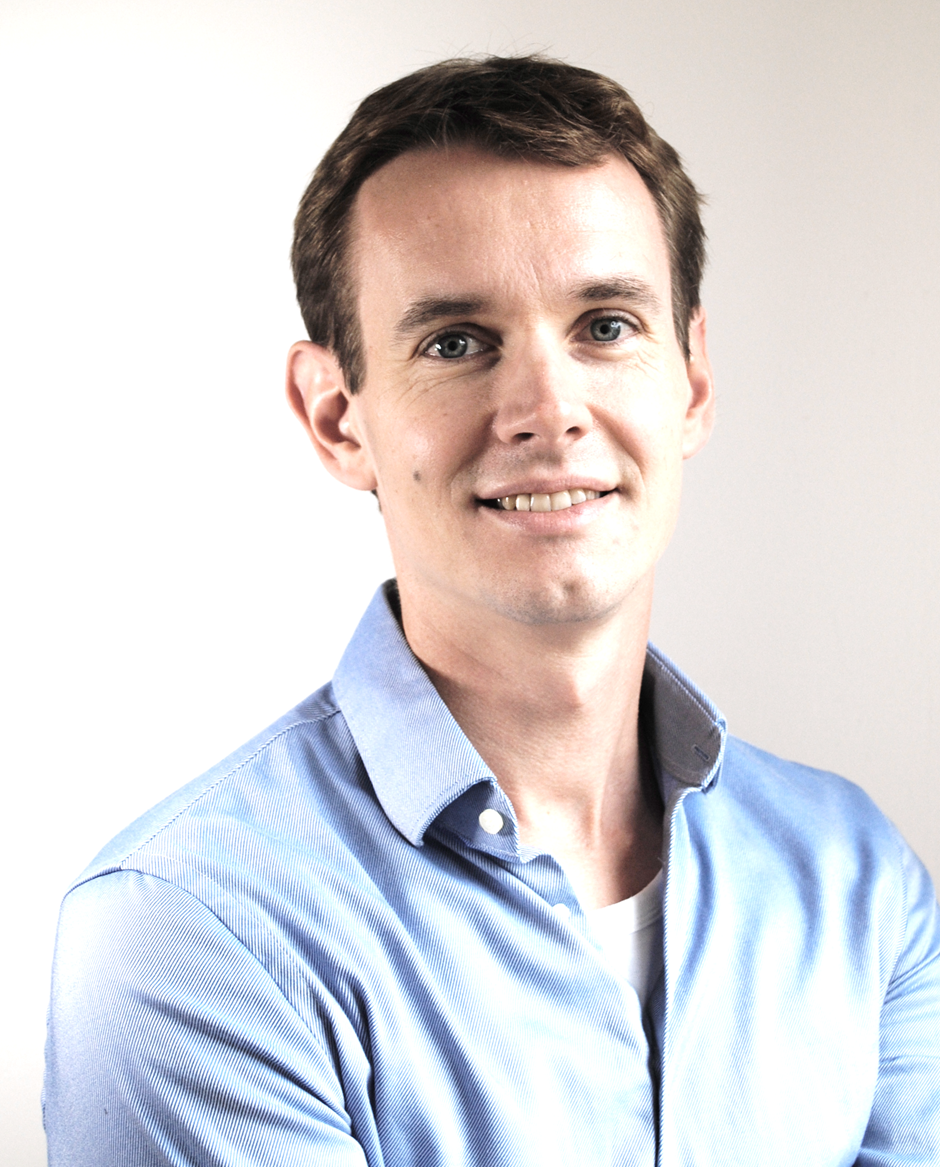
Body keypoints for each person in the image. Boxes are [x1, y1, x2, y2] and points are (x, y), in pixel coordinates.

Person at [44, 55, 940, 1166]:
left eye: (606, 326)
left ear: (692, 382)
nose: (549, 410)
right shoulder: (188, 933)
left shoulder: (854, 878)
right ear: (336, 419)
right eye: (456, 344)